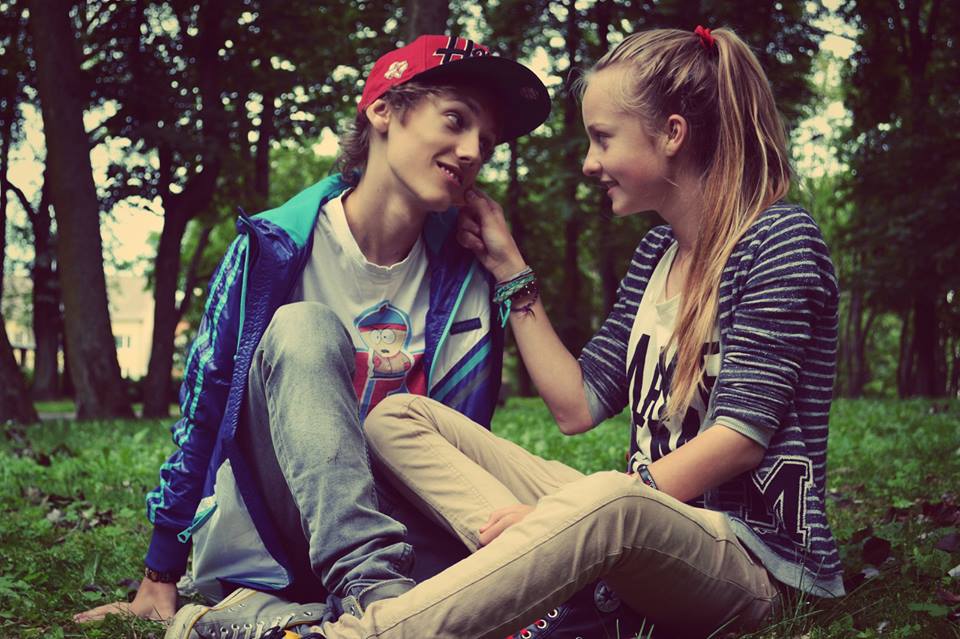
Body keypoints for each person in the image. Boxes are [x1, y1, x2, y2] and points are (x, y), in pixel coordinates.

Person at [166, 25, 847, 639]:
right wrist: (511, 271)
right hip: (642, 521)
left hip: (751, 558)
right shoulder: (657, 255)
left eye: (603, 138)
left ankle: (356, 634)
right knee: (397, 418)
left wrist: (572, 515)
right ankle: (527, 586)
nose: (589, 162)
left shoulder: (778, 239)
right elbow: (577, 404)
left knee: (609, 498)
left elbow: (738, 439)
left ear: (672, 134)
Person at [75, 33, 551, 626]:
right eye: (455, 120)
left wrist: (509, 269)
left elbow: (460, 443)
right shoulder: (273, 249)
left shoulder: (467, 277)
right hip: (284, 524)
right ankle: (368, 595)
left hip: (411, 540)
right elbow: (205, 408)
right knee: (304, 327)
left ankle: (276, 620)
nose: (473, 150)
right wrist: (161, 569)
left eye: (487, 141)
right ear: (383, 110)